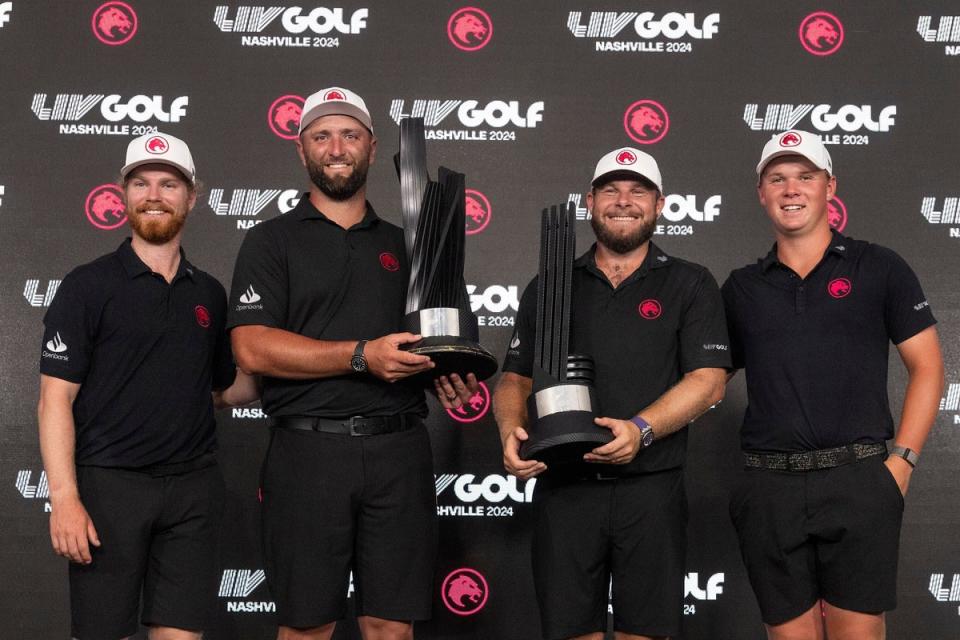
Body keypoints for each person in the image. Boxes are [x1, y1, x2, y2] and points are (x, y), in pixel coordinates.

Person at [227, 87, 476, 640]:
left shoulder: (411, 245)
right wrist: (361, 356)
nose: (336, 147)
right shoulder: (270, 242)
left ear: (371, 146)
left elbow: (444, 344)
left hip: (398, 452)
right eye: (322, 135)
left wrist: (449, 372)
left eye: (350, 135)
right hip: (307, 455)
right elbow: (251, 347)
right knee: (306, 629)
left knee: (391, 628)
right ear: (301, 149)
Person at [494, 147, 730, 640]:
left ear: (660, 204)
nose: (624, 201)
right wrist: (510, 430)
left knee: (644, 632)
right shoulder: (550, 286)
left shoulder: (690, 282)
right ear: (589, 202)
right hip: (565, 487)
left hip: (651, 488)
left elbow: (709, 380)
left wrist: (641, 430)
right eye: (611, 190)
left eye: (637, 190)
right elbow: (515, 379)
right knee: (569, 632)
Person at [722, 130, 944, 639]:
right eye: (777, 178)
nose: (791, 188)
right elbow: (705, 379)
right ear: (761, 193)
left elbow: (929, 367)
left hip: (859, 480)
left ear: (830, 187)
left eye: (805, 176)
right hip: (768, 485)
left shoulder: (879, 266)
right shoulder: (740, 288)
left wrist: (902, 463)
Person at [38, 132, 260, 640]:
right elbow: (55, 399)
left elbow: (226, 391)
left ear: (192, 197)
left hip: (192, 491)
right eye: (140, 183)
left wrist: (295, 362)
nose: (154, 194)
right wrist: (66, 498)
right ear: (123, 193)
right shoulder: (87, 286)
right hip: (108, 490)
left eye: (168, 184)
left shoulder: (209, 293)